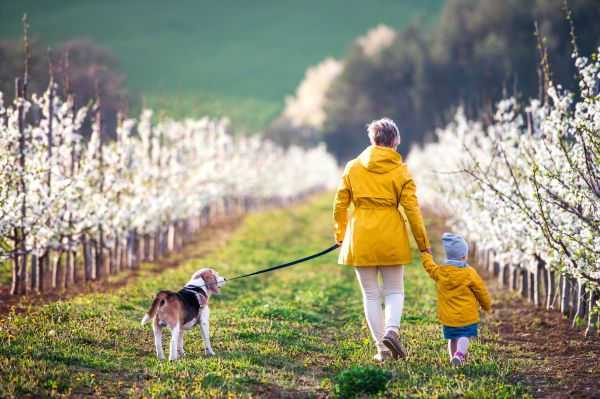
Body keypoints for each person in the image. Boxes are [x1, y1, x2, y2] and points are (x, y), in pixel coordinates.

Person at [333, 117, 431, 362]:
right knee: (394, 290)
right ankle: (392, 331)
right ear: (395, 141)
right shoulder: (400, 170)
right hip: (391, 235)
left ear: (371, 141)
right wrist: (424, 246)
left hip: (360, 235)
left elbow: (340, 205)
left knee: (371, 295)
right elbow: (412, 211)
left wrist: (341, 235)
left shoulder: (353, 166)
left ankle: (382, 350)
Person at [421, 233, 492, 366]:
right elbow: (481, 291)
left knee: (452, 338)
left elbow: (429, 266)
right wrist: (486, 305)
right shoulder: (470, 273)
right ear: (464, 256)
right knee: (465, 335)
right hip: (466, 315)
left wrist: (425, 255)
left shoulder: (440, 272)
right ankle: (459, 354)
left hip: (448, 317)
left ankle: (453, 359)